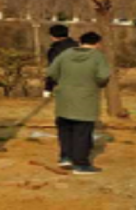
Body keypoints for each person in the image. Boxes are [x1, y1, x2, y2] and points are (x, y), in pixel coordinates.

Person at [46, 30, 110, 175]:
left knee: (65, 129)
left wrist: (62, 82)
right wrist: (95, 83)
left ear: (80, 42)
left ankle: (65, 157)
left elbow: (51, 72)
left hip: (64, 97)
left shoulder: (65, 54)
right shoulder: (98, 57)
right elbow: (103, 76)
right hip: (86, 98)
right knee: (82, 131)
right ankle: (81, 164)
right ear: (98, 43)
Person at [43, 24, 78, 98]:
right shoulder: (79, 46)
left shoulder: (55, 50)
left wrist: (48, 88)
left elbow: (53, 69)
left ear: (53, 36)